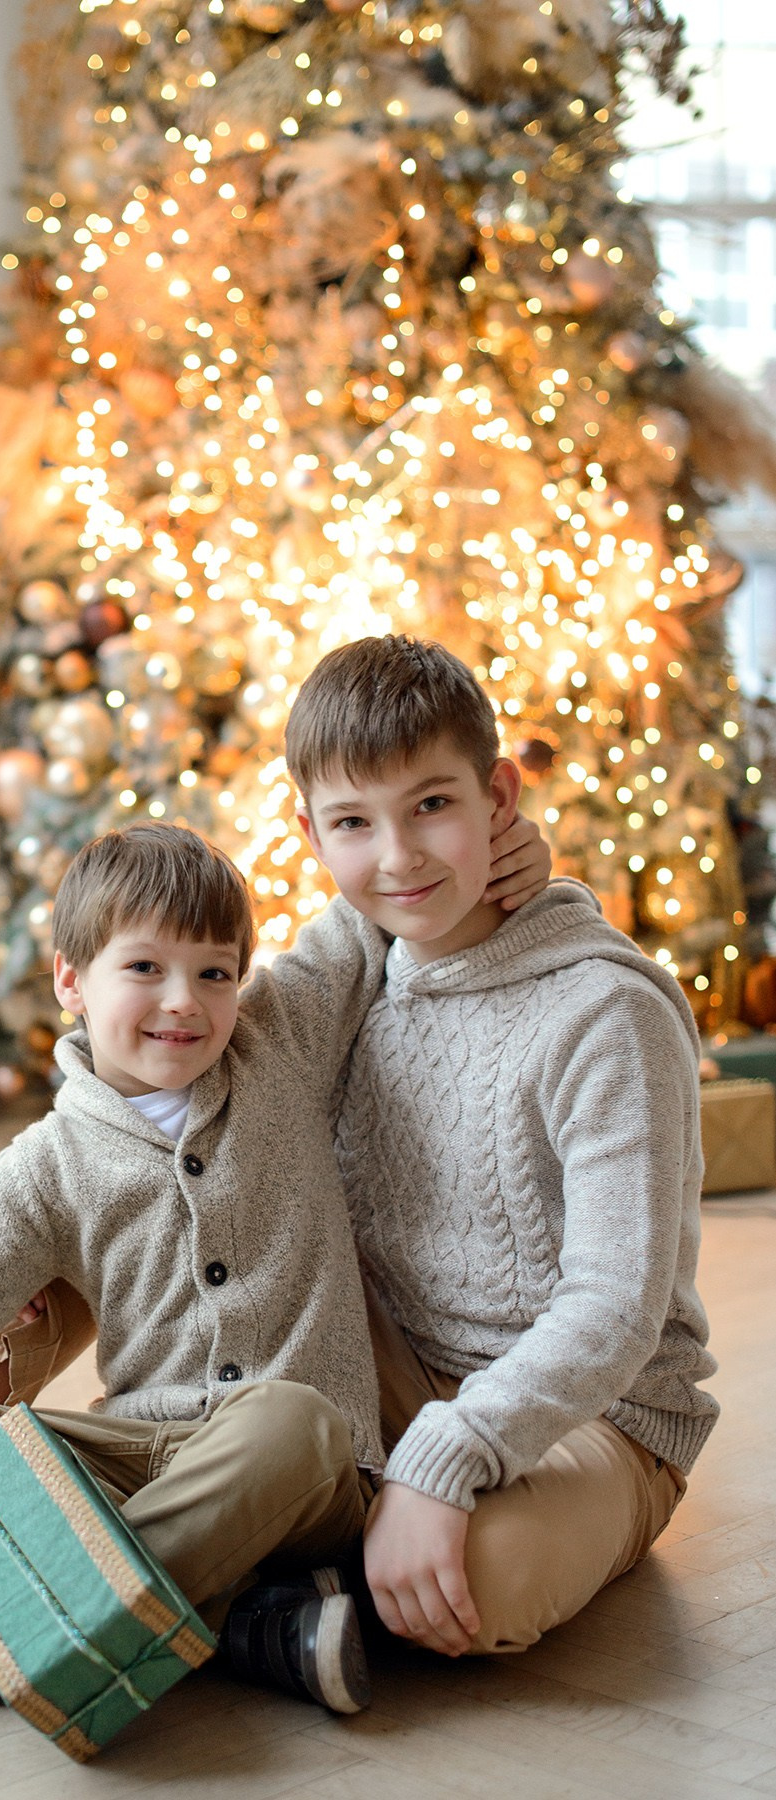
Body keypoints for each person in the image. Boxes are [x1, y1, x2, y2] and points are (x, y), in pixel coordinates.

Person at [0, 820, 398, 1716]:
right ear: (70, 980)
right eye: (145, 968)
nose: (185, 1002)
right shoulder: (44, 1167)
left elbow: (371, 905)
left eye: (214, 972)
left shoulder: (281, 1042)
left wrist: (513, 849)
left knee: (295, 1421)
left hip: (301, 1475)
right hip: (140, 1461)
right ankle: (240, 1623)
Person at [279, 632, 717, 1658]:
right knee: (159, 1143)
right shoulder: (355, 963)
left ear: (499, 798)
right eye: (354, 823)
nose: (398, 856)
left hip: (592, 1417)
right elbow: (210, 1065)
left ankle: (259, 1587)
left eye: (433, 805)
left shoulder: (605, 1014)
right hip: (388, 1360)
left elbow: (615, 1308)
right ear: (310, 835)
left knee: (478, 1586)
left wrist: (450, 1451)